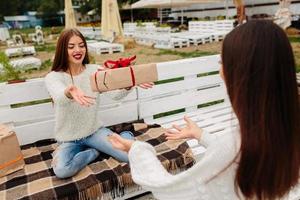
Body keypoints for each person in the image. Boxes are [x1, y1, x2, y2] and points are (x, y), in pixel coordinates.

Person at [109, 20, 300, 200]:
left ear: (239, 73)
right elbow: (240, 154)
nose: (220, 70)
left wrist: (138, 149)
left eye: (222, 62)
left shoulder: (234, 148)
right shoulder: (284, 131)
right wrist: (201, 135)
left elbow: (171, 191)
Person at [45, 28, 153, 179]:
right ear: (63, 49)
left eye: (81, 45)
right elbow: (59, 96)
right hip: (69, 138)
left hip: (94, 131)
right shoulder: (54, 77)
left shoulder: (95, 71)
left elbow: (115, 95)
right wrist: (69, 91)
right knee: (62, 170)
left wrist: (128, 85)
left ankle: (124, 136)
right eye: (71, 47)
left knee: (129, 156)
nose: (78, 50)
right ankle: (95, 151)